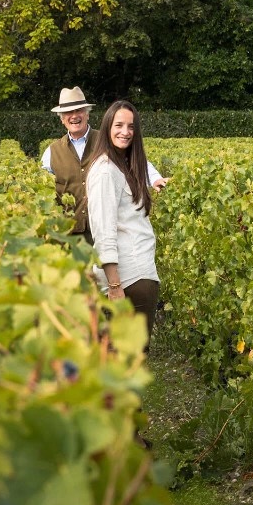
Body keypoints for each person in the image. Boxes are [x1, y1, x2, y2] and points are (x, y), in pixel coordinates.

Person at [41, 86, 165, 241]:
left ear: (87, 114)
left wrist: (154, 179)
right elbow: (43, 191)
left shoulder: (106, 140)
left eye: (79, 110)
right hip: (68, 237)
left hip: (105, 232)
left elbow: (134, 160)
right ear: (61, 118)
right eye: (68, 112)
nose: (74, 116)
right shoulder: (52, 152)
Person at [86, 100, 160, 336]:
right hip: (129, 278)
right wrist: (114, 284)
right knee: (128, 357)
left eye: (131, 126)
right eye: (119, 125)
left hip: (139, 274)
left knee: (127, 356)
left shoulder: (124, 165)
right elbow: (103, 230)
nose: (125, 132)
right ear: (107, 127)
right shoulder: (106, 170)